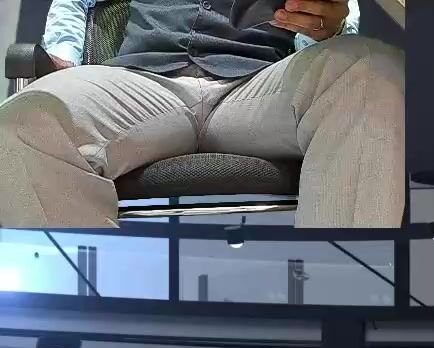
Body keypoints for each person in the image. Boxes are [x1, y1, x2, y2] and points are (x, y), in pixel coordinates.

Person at [0, 0, 401, 227]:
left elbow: (335, 16)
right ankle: (87, 326)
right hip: (143, 83)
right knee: (26, 122)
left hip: (260, 87)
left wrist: (329, 28)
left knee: (371, 70)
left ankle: (340, 317)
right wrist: (64, 63)